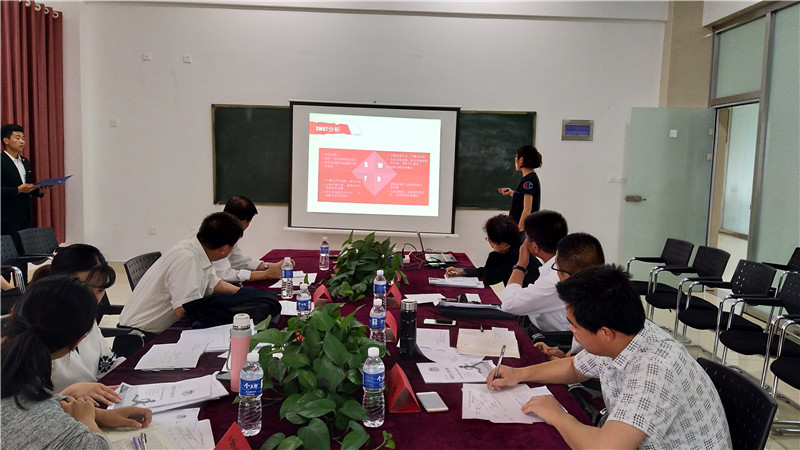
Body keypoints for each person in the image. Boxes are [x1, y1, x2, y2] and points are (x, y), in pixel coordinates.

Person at [487, 265, 732, 449]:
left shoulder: (654, 368)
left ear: (605, 333)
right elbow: (574, 368)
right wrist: (519, 374)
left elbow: (606, 448)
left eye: (574, 326)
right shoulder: (624, 333)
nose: (571, 330)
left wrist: (558, 415)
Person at [1, 275, 153, 449]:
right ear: (77, 342)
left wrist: (98, 415)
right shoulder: (65, 434)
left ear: (15, 312)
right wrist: (87, 421)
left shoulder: (16, 376)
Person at [115, 212, 280, 357]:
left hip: (153, 331)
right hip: (139, 339)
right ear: (224, 249)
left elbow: (213, 284)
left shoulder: (196, 250)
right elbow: (184, 309)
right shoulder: (187, 259)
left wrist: (248, 296)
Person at [30, 244, 124, 403]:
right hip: (61, 413)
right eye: (86, 288)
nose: (93, 298)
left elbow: (107, 364)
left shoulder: (86, 317)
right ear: (59, 283)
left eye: (100, 290)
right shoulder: (36, 327)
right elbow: (20, 408)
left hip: (89, 406)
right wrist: (66, 395)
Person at [534, 232, 606, 358]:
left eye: (556, 268)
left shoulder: (593, 312)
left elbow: (587, 365)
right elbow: (579, 354)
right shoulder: (593, 295)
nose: (571, 328)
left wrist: (561, 363)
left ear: (567, 277)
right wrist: (562, 357)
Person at [499, 210, 569, 335]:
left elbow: (509, 305)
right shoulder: (560, 264)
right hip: (539, 329)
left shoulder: (555, 277)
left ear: (535, 247)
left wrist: (521, 264)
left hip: (553, 338)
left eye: (526, 238)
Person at [445, 214, 536, 286]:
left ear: (496, 242)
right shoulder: (515, 248)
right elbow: (488, 270)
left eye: (488, 238)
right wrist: (463, 272)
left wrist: (494, 253)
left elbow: (488, 279)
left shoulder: (513, 255)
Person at [214, 196, 287, 283]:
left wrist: (269, 266)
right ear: (243, 222)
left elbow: (238, 262)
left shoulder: (226, 230)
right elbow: (224, 275)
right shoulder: (217, 236)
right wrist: (265, 274)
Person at [1, 124, 49, 253]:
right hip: (6, 217)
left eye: (23, 138)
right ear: (6, 140)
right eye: (17, 138)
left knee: (24, 253)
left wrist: (39, 191)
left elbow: (27, 185)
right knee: (10, 254)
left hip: (25, 215)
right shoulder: (1, 162)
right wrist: (17, 189)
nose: (22, 141)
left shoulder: (25, 161)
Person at [497, 144, 542, 233]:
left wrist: (519, 229)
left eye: (516, 157)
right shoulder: (529, 178)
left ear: (521, 160)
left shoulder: (528, 180)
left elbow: (527, 208)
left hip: (523, 229)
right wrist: (512, 193)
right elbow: (523, 199)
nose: (515, 160)